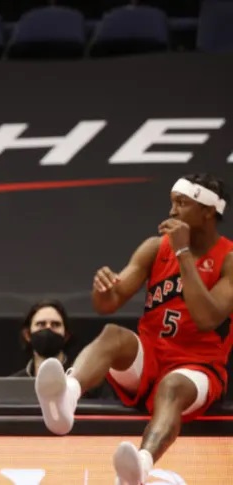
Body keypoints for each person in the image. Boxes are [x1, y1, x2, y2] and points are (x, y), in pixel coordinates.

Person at [34, 173, 233, 485]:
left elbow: (207, 318)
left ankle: (140, 465)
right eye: (172, 203)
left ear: (208, 211)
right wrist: (103, 290)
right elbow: (109, 303)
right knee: (113, 334)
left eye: (181, 203)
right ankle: (66, 399)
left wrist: (183, 254)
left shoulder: (228, 259)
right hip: (151, 359)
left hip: (198, 367)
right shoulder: (155, 248)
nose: (172, 211)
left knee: (172, 386)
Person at [12, 299, 116, 400]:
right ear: (27, 335)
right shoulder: (14, 385)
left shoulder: (90, 382)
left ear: (66, 335)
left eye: (55, 324)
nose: (48, 328)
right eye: (41, 324)